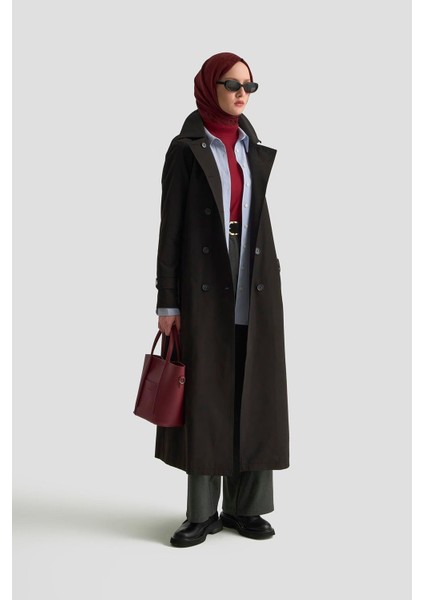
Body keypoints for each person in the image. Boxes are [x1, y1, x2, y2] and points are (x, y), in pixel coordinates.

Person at [154, 52, 290, 548]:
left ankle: (246, 507)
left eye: (250, 86)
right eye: (232, 84)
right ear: (209, 86)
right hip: (203, 280)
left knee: (255, 390)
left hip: (254, 278)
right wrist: (168, 302)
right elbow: (170, 229)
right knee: (207, 393)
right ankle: (201, 513)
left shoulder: (251, 144)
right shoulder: (186, 148)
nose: (242, 94)